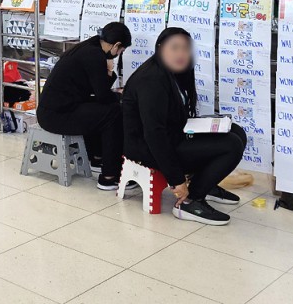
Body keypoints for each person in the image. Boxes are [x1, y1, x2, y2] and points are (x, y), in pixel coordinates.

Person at [122, 27, 246, 226]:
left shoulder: (174, 70)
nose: (181, 53)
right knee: (231, 145)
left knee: (236, 131)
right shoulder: (151, 79)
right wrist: (176, 180)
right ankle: (189, 201)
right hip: (146, 147)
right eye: (175, 48)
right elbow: (155, 134)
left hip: (173, 134)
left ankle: (206, 184)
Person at [37, 21, 131, 191]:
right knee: (113, 112)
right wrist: (120, 93)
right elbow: (103, 95)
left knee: (102, 109)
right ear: (116, 45)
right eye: (121, 51)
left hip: (54, 110)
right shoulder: (94, 56)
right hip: (56, 116)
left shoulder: (88, 47)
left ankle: (95, 158)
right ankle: (109, 176)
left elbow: (94, 90)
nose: (119, 54)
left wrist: (110, 78)